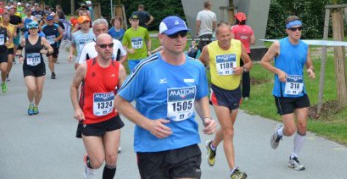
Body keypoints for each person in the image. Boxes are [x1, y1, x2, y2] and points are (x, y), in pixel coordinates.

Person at [114, 15, 217, 179]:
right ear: (161, 37)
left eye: (183, 34)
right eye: (173, 35)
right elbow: (119, 102)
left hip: (186, 143)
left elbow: (200, 96)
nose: (179, 39)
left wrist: (207, 118)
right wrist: (148, 124)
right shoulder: (146, 68)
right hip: (152, 147)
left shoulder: (196, 67)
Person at [261, 15, 316, 171]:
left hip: (300, 91)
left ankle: (294, 157)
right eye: (294, 29)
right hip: (283, 93)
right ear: (287, 30)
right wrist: (278, 71)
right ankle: (279, 132)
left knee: (303, 125)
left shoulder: (305, 46)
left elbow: (309, 62)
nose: (297, 31)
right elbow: (264, 61)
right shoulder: (278, 45)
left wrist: (310, 70)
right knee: (290, 130)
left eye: (300, 28)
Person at [199, 22, 252, 179]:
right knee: (229, 131)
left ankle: (212, 145)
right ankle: (233, 170)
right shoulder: (209, 49)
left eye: (228, 35)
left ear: (232, 34)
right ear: (217, 36)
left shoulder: (238, 45)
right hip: (218, 93)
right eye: (222, 36)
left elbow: (249, 63)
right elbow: (200, 63)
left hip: (235, 92)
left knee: (227, 128)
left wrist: (242, 69)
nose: (226, 38)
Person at [71, 33, 127, 179]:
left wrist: (120, 104)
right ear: (96, 48)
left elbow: (123, 92)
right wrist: (77, 108)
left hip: (111, 118)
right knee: (97, 162)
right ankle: (89, 163)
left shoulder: (119, 68)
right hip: (90, 120)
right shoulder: (85, 67)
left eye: (110, 45)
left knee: (112, 158)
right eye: (103, 46)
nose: (107, 48)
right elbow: (74, 86)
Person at [16, 21, 54, 115]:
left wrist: (46, 51)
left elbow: (51, 49)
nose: (33, 30)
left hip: (40, 67)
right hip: (28, 67)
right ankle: (31, 104)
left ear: (38, 29)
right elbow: (19, 49)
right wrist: (20, 56)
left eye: (35, 28)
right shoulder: (24, 40)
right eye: (31, 28)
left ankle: (36, 106)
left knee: (39, 89)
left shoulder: (42, 39)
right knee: (32, 88)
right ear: (29, 30)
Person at [231, 12, 255, 100]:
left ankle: (235, 94)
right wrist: (246, 41)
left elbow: (232, 40)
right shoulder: (249, 28)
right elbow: (253, 41)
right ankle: (246, 95)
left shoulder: (234, 28)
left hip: (236, 53)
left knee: (235, 73)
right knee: (246, 73)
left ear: (236, 19)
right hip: (247, 53)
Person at [41, 14, 63, 79]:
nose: (50, 21)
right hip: (48, 46)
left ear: (53, 20)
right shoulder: (43, 27)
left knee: (54, 59)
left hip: (55, 45)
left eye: (51, 20)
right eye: (49, 20)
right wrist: (44, 42)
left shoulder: (56, 26)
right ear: (47, 21)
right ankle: (52, 73)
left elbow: (62, 34)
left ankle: (53, 65)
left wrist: (57, 39)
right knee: (50, 59)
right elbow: (41, 36)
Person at [2, 12, 16, 83]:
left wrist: (14, 35)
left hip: (10, 46)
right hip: (1, 46)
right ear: (2, 18)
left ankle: (7, 73)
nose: (6, 18)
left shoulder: (12, 26)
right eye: (4, 17)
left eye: (7, 17)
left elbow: (13, 36)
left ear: (9, 18)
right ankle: (4, 72)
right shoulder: (0, 26)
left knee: (10, 61)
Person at [0, 19, 12, 93]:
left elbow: (10, 37)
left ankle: (3, 83)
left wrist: (9, 43)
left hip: (3, 52)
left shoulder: (4, 30)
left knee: (4, 69)